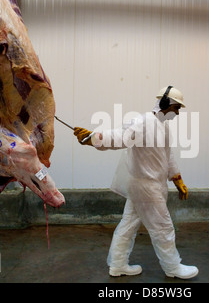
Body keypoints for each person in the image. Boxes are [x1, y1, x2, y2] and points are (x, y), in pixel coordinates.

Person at [73, 86, 199, 279]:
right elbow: (120, 137)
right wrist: (94, 138)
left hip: (146, 187)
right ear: (167, 104)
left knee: (128, 225)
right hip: (146, 187)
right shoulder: (143, 122)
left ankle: (117, 265)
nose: (177, 113)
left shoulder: (162, 126)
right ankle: (173, 268)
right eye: (177, 108)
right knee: (163, 227)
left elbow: (167, 155)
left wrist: (177, 178)